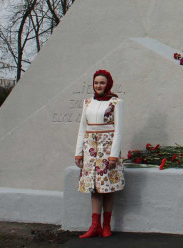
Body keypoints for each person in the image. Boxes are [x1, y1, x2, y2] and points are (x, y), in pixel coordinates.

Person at [74, 70, 124, 238]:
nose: (98, 86)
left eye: (102, 83)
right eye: (96, 83)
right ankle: (94, 226)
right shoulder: (87, 103)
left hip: (107, 150)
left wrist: (113, 155)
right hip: (90, 151)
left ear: (108, 84)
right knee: (94, 188)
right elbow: (82, 128)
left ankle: (106, 225)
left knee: (107, 188)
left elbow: (118, 131)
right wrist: (78, 153)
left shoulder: (116, 102)